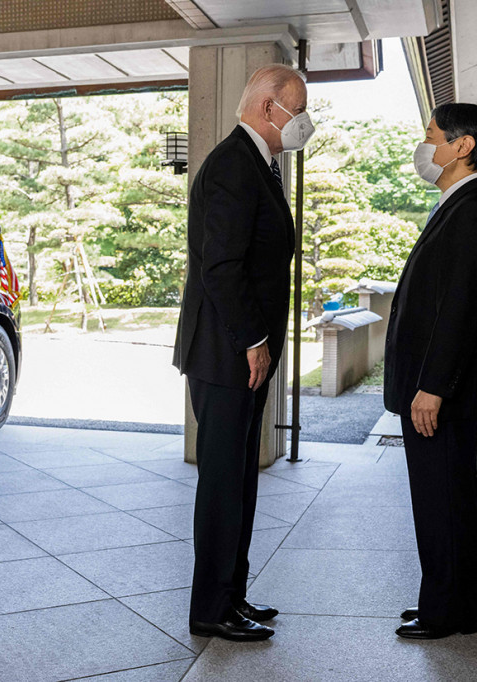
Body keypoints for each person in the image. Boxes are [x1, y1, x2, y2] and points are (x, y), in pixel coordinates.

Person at [173, 63, 313, 642]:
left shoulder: (259, 163)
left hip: (239, 350)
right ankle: (210, 608)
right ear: (267, 108)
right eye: (299, 110)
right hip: (226, 352)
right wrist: (254, 340)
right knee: (224, 481)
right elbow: (222, 265)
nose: (305, 122)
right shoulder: (234, 164)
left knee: (241, 480)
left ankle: (233, 594)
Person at [383, 103, 477, 639]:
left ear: (462, 146)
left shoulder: (475, 209)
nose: (425, 146)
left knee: (442, 497)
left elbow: (460, 307)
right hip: (438, 385)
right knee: (450, 495)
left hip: (441, 390)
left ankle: (445, 612)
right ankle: (460, 607)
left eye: (431, 136)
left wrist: (432, 385)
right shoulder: (459, 205)